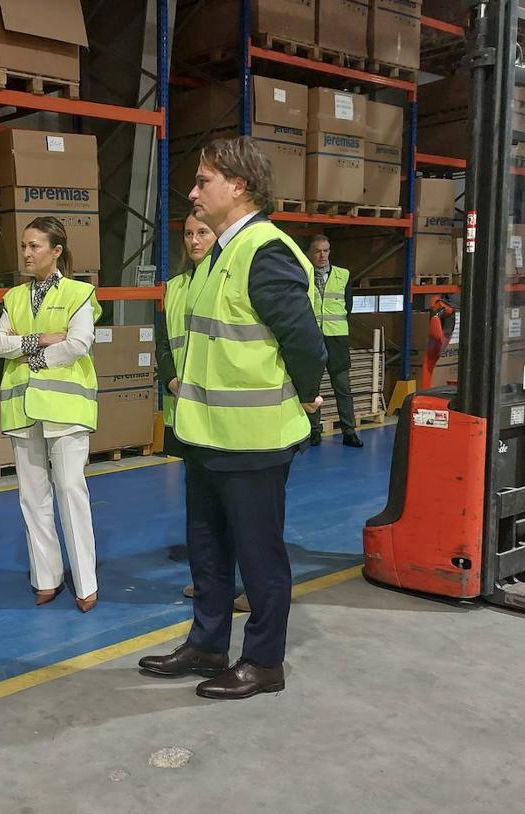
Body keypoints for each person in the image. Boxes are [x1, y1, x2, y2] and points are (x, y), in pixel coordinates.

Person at [138, 137, 326, 700]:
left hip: (252, 441)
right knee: (209, 550)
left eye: (203, 182)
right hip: (206, 436)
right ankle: (208, 644)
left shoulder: (264, 251)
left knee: (259, 555)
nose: (193, 192)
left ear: (238, 186)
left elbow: (306, 345)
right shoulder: (219, 254)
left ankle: (265, 661)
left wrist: (306, 396)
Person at [0, 217, 101, 613]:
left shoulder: (79, 294)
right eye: (24, 245)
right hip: (23, 409)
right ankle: (46, 577)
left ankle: (86, 583)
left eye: (35, 246)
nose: (26, 253)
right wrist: (40, 339)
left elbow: (79, 342)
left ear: (56, 251)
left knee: (71, 492)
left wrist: (32, 357)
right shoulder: (13, 298)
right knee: (32, 497)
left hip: (66, 409)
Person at [159, 213, 251, 614]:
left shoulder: (231, 279)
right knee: (202, 511)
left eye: (203, 233)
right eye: (189, 235)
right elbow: (165, 343)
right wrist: (171, 381)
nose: (195, 241)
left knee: (242, 510)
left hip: (231, 414)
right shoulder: (175, 288)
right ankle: (209, 581)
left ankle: (251, 585)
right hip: (186, 412)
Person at [306, 235, 363, 448]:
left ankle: (349, 431)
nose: (323, 255)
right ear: (310, 254)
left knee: (342, 387)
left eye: (326, 250)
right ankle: (314, 431)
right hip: (312, 339)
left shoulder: (343, 275)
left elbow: (348, 307)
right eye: (318, 251)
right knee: (312, 389)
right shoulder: (304, 274)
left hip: (337, 338)